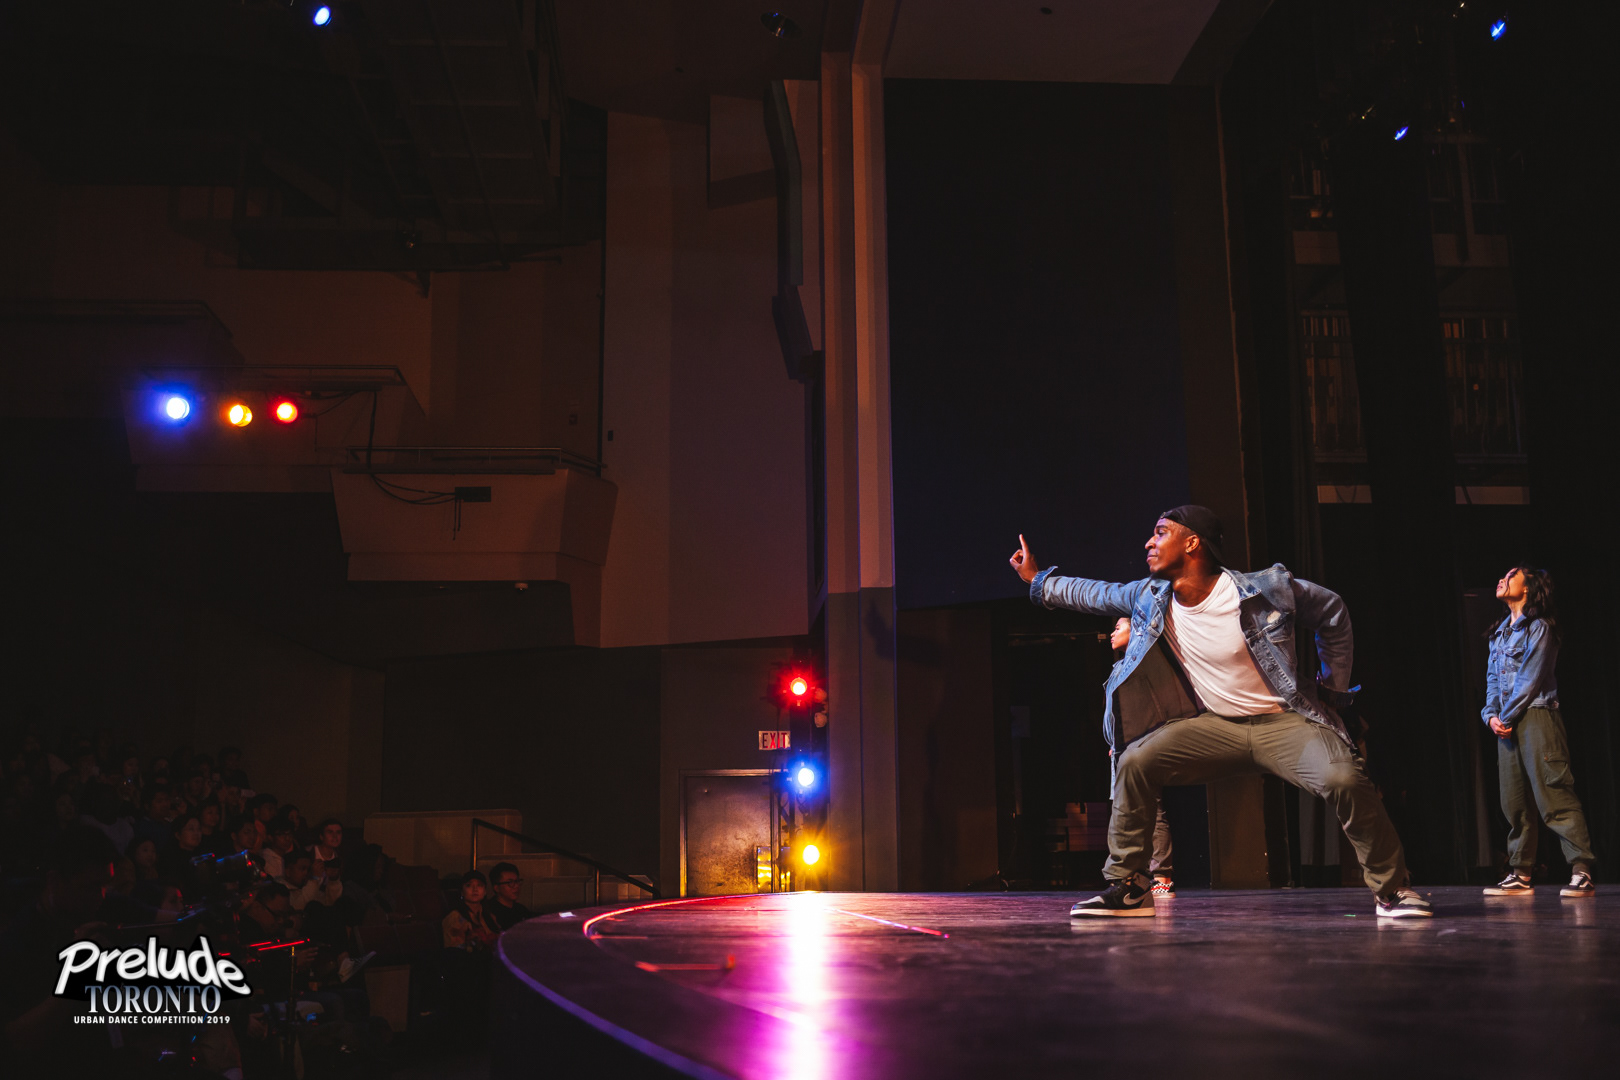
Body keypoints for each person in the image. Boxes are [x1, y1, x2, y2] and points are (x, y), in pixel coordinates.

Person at [1010, 505, 1430, 919]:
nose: (1149, 542)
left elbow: (1333, 612)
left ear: (1192, 543)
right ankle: (1131, 886)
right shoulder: (1150, 597)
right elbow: (1095, 593)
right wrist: (1037, 581)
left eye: (1160, 532)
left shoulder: (1267, 588)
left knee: (1344, 778)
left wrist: (1334, 690)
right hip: (1214, 726)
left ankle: (1392, 888)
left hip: (1284, 723)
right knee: (1135, 761)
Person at [1480, 566, 1596, 898]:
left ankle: (1581, 870)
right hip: (1507, 723)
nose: (1501, 579)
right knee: (1514, 801)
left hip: (1536, 716)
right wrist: (1490, 716)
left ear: (1528, 588)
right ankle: (1520, 873)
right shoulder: (1499, 634)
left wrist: (1505, 716)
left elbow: (1530, 679)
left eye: (1510, 576)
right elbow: (1492, 681)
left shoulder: (1540, 628)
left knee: (1554, 794)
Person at [1109, 618, 1176, 898]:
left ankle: (1162, 875)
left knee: (1153, 809)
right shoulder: (1120, 668)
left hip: (1142, 745)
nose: (1112, 633)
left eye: (1118, 628)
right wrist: (1116, 743)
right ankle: (1131, 876)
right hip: (1123, 748)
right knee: (1126, 810)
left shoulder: (1145, 664)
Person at [486, 862, 534, 931]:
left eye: (517, 881)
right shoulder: (489, 911)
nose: (516, 886)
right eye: (510, 883)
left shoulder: (520, 910)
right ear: (496, 888)